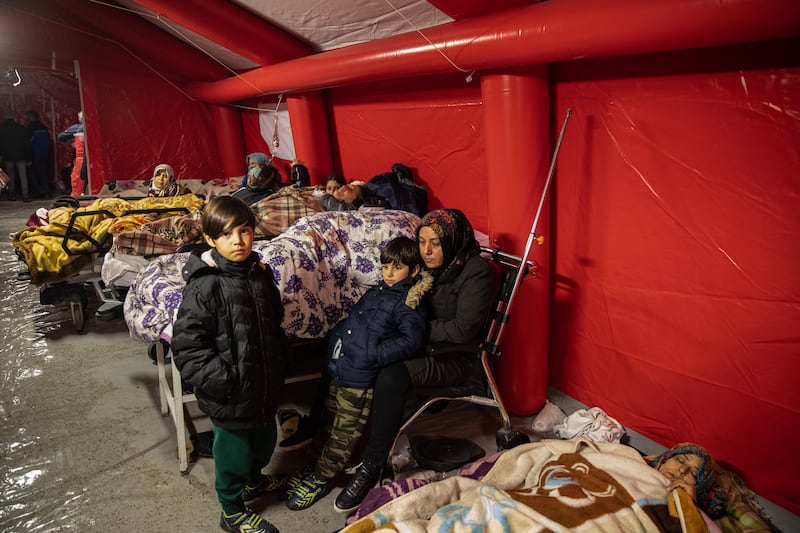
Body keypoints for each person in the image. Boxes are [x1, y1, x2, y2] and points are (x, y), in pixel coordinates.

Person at [333, 208, 497, 513]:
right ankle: (330, 441)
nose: (427, 251)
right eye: (422, 242)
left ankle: (372, 465)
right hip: (422, 344)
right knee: (349, 350)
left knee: (391, 375)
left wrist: (413, 331)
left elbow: (463, 330)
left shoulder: (475, 272)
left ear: (452, 240)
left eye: (435, 242)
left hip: (455, 357)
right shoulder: (427, 267)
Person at [280, 236, 433, 511]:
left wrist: (373, 355)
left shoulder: (408, 302)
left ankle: (322, 478)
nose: (388, 273)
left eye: (396, 268)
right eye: (386, 266)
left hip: (360, 377)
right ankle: (314, 465)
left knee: (344, 432)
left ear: (414, 270)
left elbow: (412, 341)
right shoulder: (378, 291)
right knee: (328, 422)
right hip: (343, 367)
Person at [171, 195, 288, 533]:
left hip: (262, 386)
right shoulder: (205, 286)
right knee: (233, 454)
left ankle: (254, 481)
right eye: (226, 235)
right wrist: (227, 382)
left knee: (265, 441)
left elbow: (274, 320)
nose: (237, 241)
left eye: (244, 231)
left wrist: (278, 362)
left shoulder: (259, 274)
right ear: (209, 238)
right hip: (231, 393)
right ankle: (232, 509)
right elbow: (189, 349)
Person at [647, 442, 775, 531]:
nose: (682, 470)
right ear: (663, 460)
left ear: (699, 486)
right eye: (680, 460)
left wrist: (691, 506)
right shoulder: (634, 464)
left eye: (694, 473)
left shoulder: (711, 513)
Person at [0, 109, 33, 202]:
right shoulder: (21, 128)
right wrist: (29, 157)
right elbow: (27, 143)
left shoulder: (1, 128)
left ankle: (12, 195)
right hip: (21, 155)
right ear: (14, 117)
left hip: (7, 156)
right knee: (23, 175)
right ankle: (25, 195)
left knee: (10, 176)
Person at [24, 110, 52, 198]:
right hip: (45, 153)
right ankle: (46, 192)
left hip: (35, 153)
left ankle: (40, 190)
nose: (27, 119)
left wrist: (28, 157)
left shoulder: (30, 127)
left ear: (31, 117)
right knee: (43, 173)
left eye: (28, 117)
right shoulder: (44, 126)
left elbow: (28, 142)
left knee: (30, 172)